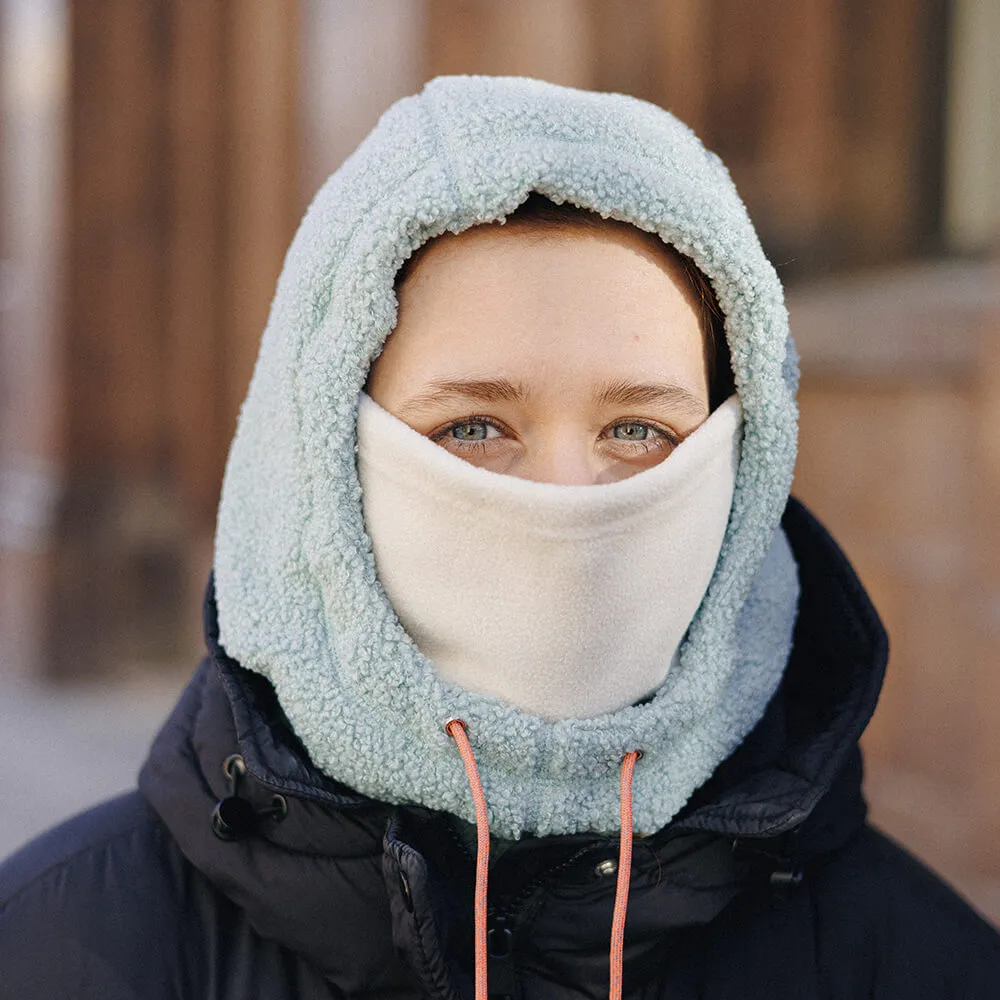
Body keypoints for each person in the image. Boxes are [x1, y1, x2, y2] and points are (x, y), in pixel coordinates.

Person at [1, 75, 998, 1000]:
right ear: (319, 463)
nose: (565, 502)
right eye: (473, 427)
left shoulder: (921, 965)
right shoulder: (61, 948)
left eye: (638, 431)